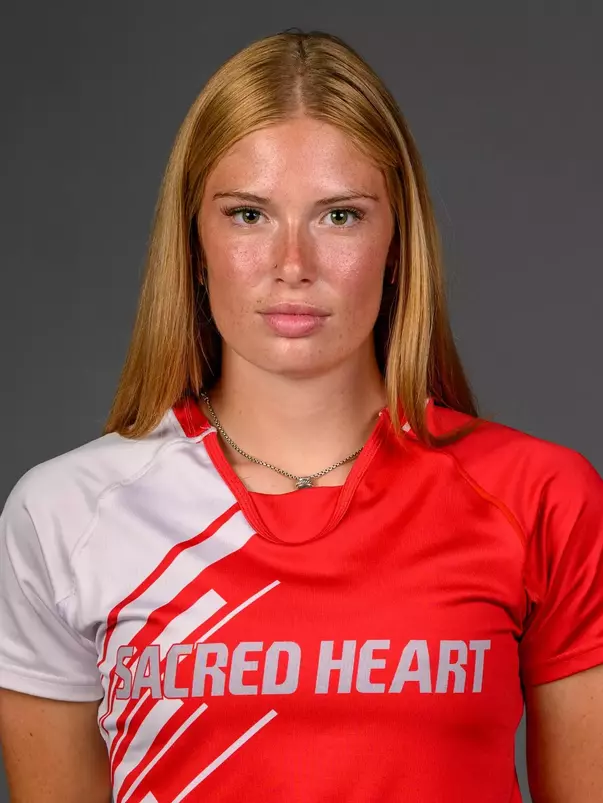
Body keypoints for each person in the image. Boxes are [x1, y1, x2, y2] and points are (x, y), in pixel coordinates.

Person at [0, 27, 602, 803]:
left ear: (396, 244)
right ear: (194, 240)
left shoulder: (540, 498)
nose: (293, 264)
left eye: (339, 216)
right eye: (248, 215)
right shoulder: (62, 515)